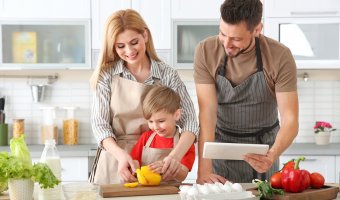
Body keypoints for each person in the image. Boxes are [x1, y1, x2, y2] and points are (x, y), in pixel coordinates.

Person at [194, 0, 298, 183]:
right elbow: (207, 114)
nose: (227, 43)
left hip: (263, 149)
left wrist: (272, 155)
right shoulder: (205, 51)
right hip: (221, 148)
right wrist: (203, 172)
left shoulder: (279, 56)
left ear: (257, 29)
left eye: (236, 38)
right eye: (222, 33)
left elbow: (290, 119)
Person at [89, 9, 198, 184]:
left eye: (134, 42)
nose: (129, 51)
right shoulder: (106, 75)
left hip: (158, 159)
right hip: (115, 161)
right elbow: (100, 126)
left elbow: (190, 123)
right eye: (120, 46)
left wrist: (174, 157)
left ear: (145, 36)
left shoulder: (167, 75)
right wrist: (121, 155)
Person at [130, 85, 195, 182]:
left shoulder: (185, 143)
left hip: (172, 193)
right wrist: (133, 169)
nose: (155, 127)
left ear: (176, 115)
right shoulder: (146, 138)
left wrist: (168, 168)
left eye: (161, 121)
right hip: (145, 191)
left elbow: (183, 175)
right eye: (150, 122)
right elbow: (134, 161)